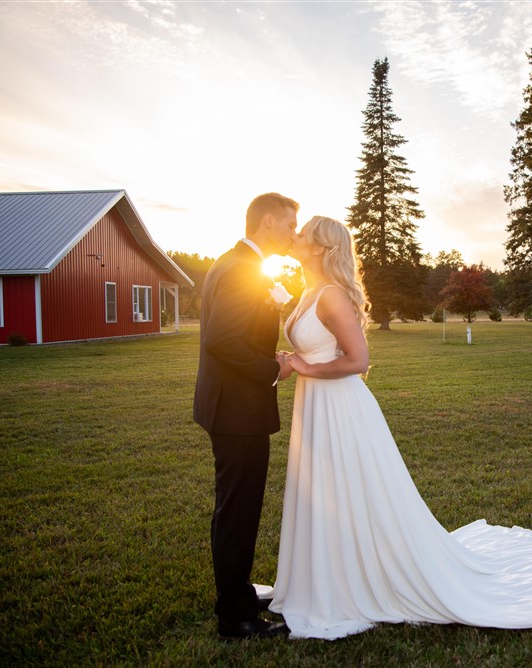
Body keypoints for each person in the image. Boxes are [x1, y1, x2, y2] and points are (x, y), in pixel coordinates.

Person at [271, 216, 532, 640]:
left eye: (302, 234)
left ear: (319, 248)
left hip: (339, 408)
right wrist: (293, 362)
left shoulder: (330, 295)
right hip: (315, 405)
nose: (294, 239)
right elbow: (314, 350)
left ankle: (351, 583)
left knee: (348, 489)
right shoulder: (307, 292)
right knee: (325, 491)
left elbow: (358, 360)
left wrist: (306, 365)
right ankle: (323, 578)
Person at [192, 192, 298, 640]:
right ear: (269, 221)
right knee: (238, 510)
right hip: (238, 411)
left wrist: (263, 351)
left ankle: (237, 591)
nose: (295, 232)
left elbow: (236, 334)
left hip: (232, 407)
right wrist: (274, 368)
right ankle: (235, 616)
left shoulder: (235, 263)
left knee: (236, 507)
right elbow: (222, 339)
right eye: (291, 224)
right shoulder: (240, 270)